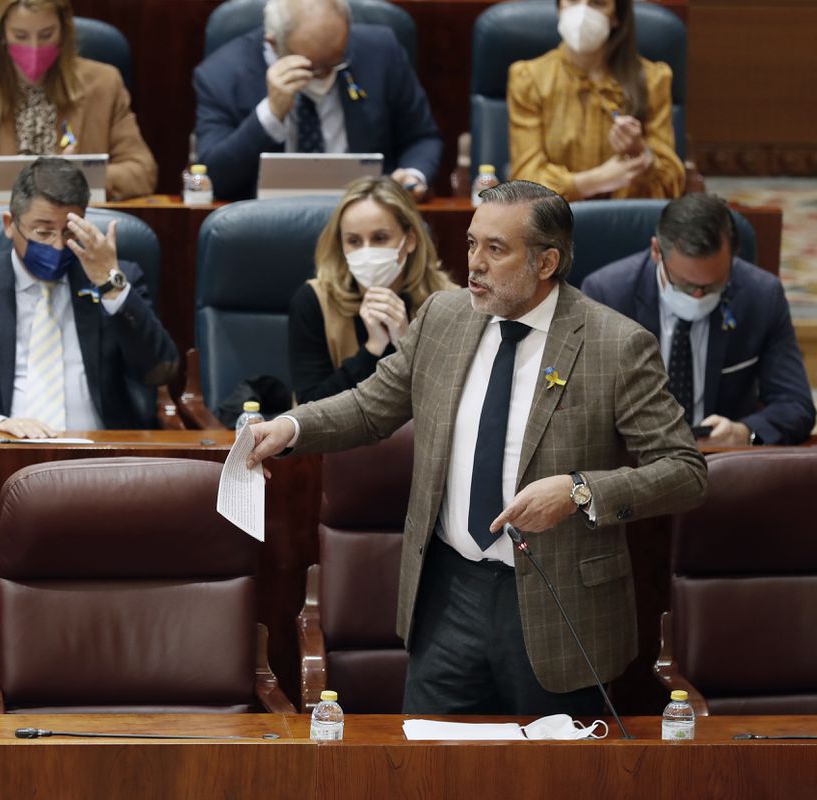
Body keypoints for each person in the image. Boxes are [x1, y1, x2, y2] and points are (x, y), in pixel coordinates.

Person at [248, 180, 707, 716]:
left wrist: (579, 491)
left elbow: (685, 472)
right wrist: (290, 428)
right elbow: (372, 406)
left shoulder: (615, 345)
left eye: (495, 249)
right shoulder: (443, 318)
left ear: (546, 262)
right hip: (448, 594)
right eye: (471, 243)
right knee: (431, 758)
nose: (474, 264)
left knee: (548, 764)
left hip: (558, 604)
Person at [0, 157, 178, 436]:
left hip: (99, 451)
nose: (57, 246)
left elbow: (161, 370)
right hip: (2, 450)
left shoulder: (114, 280)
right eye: (43, 232)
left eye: (69, 232)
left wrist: (111, 287)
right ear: (9, 224)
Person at [582, 194, 815, 446]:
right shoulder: (606, 295)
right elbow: (582, 403)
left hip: (720, 457)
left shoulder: (762, 296)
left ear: (733, 258)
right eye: (686, 285)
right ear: (656, 251)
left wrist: (743, 432)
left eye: (713, 286)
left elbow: (795, 404)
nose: (698, 296)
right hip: (635, 456)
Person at [0, 0, 156, 201]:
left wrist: (74, 178)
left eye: (46, 35)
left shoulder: (104, 83)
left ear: (63, 31)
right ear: (2, 34)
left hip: (76, 227)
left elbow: (142, 172)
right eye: (21, 36)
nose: (34, 48)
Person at [193, 0, 441, 202]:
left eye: (335, 61)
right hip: (266, 227)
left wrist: (412, 175)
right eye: (313, 67)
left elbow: (422, 137)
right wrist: (270, 115)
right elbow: (214, 178)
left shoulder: (381, 51)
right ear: (274, 44)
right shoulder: (221, 75)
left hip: (368, 220)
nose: (325, 76)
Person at [289, 175, 453, 403]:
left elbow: (450, 403)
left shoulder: (448, 302)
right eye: (354, 241)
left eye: (380, 238)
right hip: (342, 429)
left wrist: (406, 348)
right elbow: (309, 406)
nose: (366, 251)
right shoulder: (314, 300)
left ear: (410, 240)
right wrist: (372, 349)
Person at [507, 0, 684, 200]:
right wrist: (599, 180)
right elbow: (525, 183)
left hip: (627, 216)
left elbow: (672, 186)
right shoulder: (529, 79)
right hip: (555, 218)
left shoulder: (652, 80)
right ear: (559, 7)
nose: (582, 12)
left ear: (616, 17)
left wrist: (640, 150)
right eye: (573, 0)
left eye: (597, 3)